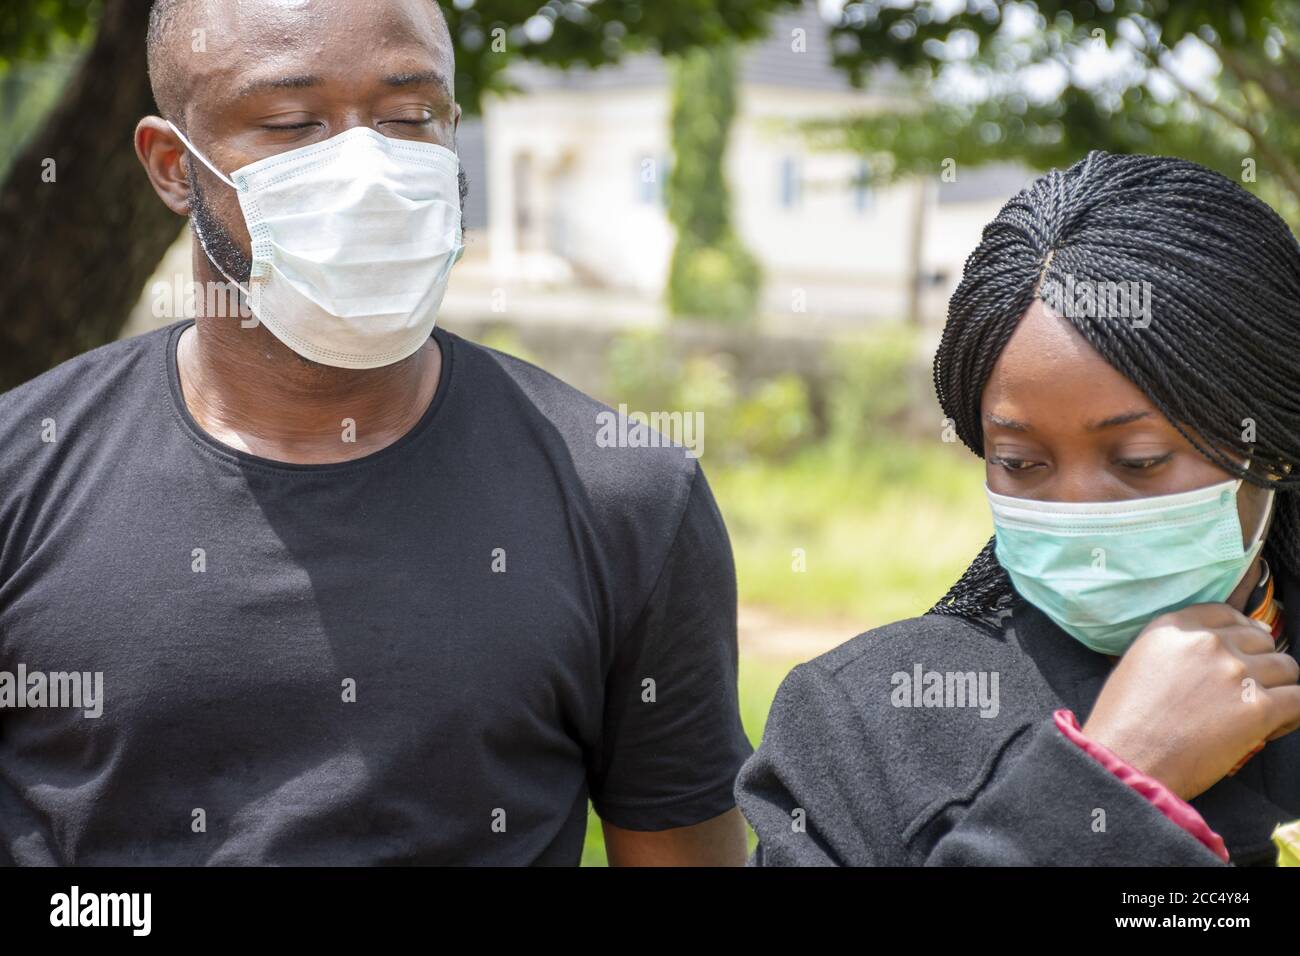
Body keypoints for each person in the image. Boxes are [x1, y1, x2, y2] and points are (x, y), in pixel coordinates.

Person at [0, 0, 752, 865]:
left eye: (408, 117)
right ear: (174, 167)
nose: (366, 168)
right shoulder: (23, 476)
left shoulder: (625, 498)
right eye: (292, 123)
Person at [735, 150, 1300, 866]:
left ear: (1271, 447)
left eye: (1138, 462)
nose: (1078, 508)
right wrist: (1114, 777)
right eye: (1020, 462)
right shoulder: (866, 722)